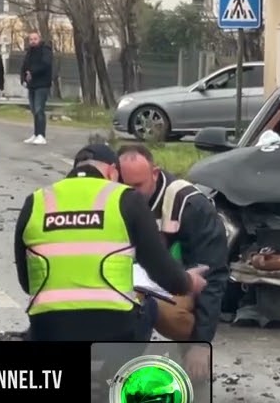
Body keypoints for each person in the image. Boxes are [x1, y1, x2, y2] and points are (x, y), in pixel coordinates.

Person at [13, 143, 209, 342]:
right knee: (149, 304)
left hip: (48, 330)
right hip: (114, 330)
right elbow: (162, 271)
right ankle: (124, 360)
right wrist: (189, 282)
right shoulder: (126, 199)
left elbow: (27, 283)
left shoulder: (35, 202)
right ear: (112, 171)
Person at [117, 143, 228, 380]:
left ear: (155, 174)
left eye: (138, 186)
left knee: (150, 306)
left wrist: (200, 343)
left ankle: (183, 352)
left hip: (175, 286)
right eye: (125, 186)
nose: (131, 194)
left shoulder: (190, 206)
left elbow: (213, 274)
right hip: (125, 282)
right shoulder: (110, 199)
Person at [19, 31, 54, 145]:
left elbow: (45, 65)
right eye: (31, 39)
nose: (33, 41)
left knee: (39, 109)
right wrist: (23, 78)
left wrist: (32, 73)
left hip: (42, 84)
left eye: (35, 39)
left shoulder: (45, 50)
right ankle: (36, 133)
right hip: (32, 85)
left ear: (39, 39)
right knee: (34, 110)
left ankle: (41, 135)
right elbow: (24, 66)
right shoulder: (29, 52)